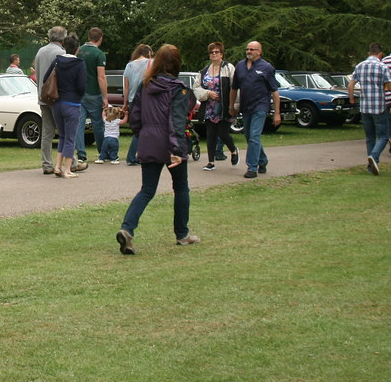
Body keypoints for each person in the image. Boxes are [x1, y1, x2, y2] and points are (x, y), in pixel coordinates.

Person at [116, 44, 199, 255]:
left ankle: (127, 229)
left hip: (149, 140)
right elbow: (177, 122)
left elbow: (135, 115)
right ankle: (182, 234)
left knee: (147, 190)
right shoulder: (178, 89)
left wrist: (141, 135)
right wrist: (177, 150)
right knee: (181, 188)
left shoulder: (146, 86)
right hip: (171, 143)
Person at [229, 40, 282, 179]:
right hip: (246, 107)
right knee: (249, 136)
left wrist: (277, 113)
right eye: (247, 49)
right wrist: (232, 105)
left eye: (252, 49)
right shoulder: (240, 66)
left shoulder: (266, 67)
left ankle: (252, 168)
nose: (249, 52)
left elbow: (274, 91)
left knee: (254, 136)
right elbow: (234, 88)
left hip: (260, 106)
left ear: (259, 51)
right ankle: (262, 160)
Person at [34, 27, 83, 174]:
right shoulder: (61, 54)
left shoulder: (40, 51)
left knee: (47, 133)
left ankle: (47, 164)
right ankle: (72, 162)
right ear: (63, 38)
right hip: (59, 98)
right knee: (66, 133)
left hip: (44, 96)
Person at [348, 43, 391, 176]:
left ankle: (371, 165)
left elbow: (351, 86)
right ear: (381, 54)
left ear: (369, 53)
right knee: (383, 136)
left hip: (365, 106)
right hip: (378, 106)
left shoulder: (360, 66)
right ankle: (374, 156)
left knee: (369, 137)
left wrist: (352, 99)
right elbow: (390, 87)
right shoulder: (382, 66)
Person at [46, 33, 87, 178]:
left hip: (57, 103)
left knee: (62, 136)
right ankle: (68, 169)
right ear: (77, 48)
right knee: (71, 137)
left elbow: (46, 78)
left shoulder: (57, 61)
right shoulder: (80, 64)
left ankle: (57, 166)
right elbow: (82, 86)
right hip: (72, 103)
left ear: (64, 46)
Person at [193, 41, 238, 171]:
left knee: (223, 134)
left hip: (224, 107)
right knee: (210, 134)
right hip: (209, 107)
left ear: (221, 54)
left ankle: (233, 150)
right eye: (211, 52)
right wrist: (208, 93)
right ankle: (211, 162)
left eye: (216, 52)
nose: (214, 54)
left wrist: (234, 105)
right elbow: (196, 87)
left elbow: (235, 87)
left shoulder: (229, 68)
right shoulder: (204, 71)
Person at [75, 28, 108, 163]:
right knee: (98, 124)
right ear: (100, 38)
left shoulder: (78, 51)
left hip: (79, 92)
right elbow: (101, 76)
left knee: (79, 124)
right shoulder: (99, 54)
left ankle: (81, 154)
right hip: (93, 93)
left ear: (89, 37)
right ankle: (102, 152)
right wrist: (105, 97)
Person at [122, 44, 153, 165]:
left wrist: (125, 103)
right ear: (148, 53)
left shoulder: (129, 65)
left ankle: (136, 156)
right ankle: (134, 156)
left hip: (132, 100)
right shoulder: (151, 63)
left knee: (137, 127)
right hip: (146, 99)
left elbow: (126, 86)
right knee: (145, 128)